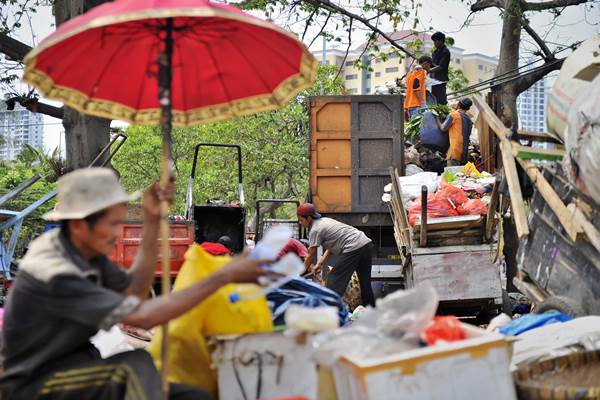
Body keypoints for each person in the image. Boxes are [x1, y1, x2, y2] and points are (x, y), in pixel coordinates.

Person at [0, 168, 274, 400]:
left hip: (82, 365)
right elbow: (143, 317)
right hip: (35, 382)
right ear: (80, 225)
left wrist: (153, 223)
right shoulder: (56, 269)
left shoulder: (86, 253)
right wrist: (222, 276)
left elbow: (135, 291)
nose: (117, 233)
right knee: (134, 365)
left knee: (192, 394)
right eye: (112, 224)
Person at [296, 203, 374, 307]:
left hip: (354, 247)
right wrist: (319, 264)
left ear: (309, 218)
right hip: (366, 244)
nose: (300, 223)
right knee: (365, 283)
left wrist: (298, 274)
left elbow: (310, 255)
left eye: (301, 220)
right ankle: (371, 311)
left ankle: (331, 312)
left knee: (334, 280)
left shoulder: (315, 229)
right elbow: (330, 248)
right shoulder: (325, 221)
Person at [438, 98, 474, 167]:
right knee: (461, 176)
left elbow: (443, 128)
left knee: (453, 175)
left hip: (455, 150)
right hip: (464, 152)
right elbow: (468, 134)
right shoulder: (469, 120)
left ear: (458, 105)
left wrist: (437, 118)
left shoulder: (453, 115)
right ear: (468, 108)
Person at [404, 55, 433, 120]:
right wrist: (423, 103)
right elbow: (415, 86)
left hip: (409, 106)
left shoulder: (410, 74)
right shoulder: (421, 71)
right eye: (429, 65)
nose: (429, 68)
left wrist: (405, 108)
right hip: (417, 106)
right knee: (419, 129)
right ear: (425, 63)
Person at [430, 31, 451, 105]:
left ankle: (442, 115)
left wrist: (429, 70)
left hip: (441, 79)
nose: (434, 43)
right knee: (434, 100)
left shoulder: (445, 51)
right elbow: (433, 64)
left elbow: (441, 66)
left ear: (441, 41)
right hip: (433, 80)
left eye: (435, 41)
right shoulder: (435, 52)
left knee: (441, 100)